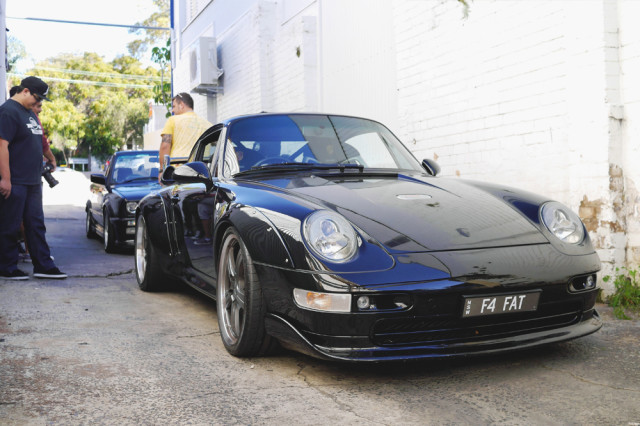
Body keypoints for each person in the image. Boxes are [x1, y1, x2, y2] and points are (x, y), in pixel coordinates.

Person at [0, 76, 67, 280]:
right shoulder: (8, 111)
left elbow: (38, 141)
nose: (38, 103)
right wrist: (6, 179)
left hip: (33, 180)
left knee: (36, 224)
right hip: (16, 180)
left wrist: (50, 158)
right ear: (25, 91)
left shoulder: (29, 113)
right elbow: (2, 146)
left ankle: (43, 265)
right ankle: (7, 267)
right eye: (37, 98)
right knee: (10, 225)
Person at [158, 92, 211, 179]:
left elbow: (165, 146)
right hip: (202, 174)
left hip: (178, 173)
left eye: (174, 106)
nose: (172, 110)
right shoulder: (208, 124)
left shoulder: (173, 120)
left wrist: (162, 170)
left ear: (181, 105)